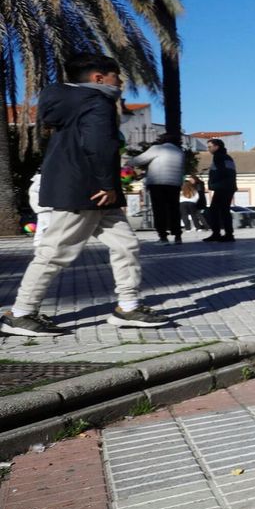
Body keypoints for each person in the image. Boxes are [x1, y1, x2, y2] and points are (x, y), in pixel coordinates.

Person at [1, 54, 169, 336]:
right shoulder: (96, 102)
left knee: (126, 245)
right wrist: (107, 184)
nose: (121, 83)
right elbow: (99, 144)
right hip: (88, 190)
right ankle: (20, 313)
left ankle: (127, 307)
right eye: (117, 77)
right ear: (99, 78)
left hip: (91, 189)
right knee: (54, 252)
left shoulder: (69, 102)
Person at [127, 135, 186, 243]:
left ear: (162, 141)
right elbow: (182, 170)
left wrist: (128, 163)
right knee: (174, 210)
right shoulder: (180, 152)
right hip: (175, 184)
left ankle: (163, 236)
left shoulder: (158, 149)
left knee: (159, 210)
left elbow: (140, 160)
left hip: (158, 183)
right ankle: (178, 236)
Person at [203, 140, 237, 241]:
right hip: (228, 187)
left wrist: (213, 184)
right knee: (224, 211)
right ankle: (228, 234)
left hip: (222, 187)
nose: (208, 149)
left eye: (210, 147)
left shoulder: (218, 157)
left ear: (216, 147)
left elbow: (221, 172)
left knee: (214, 211)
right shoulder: (227, 157)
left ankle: (218, 234)